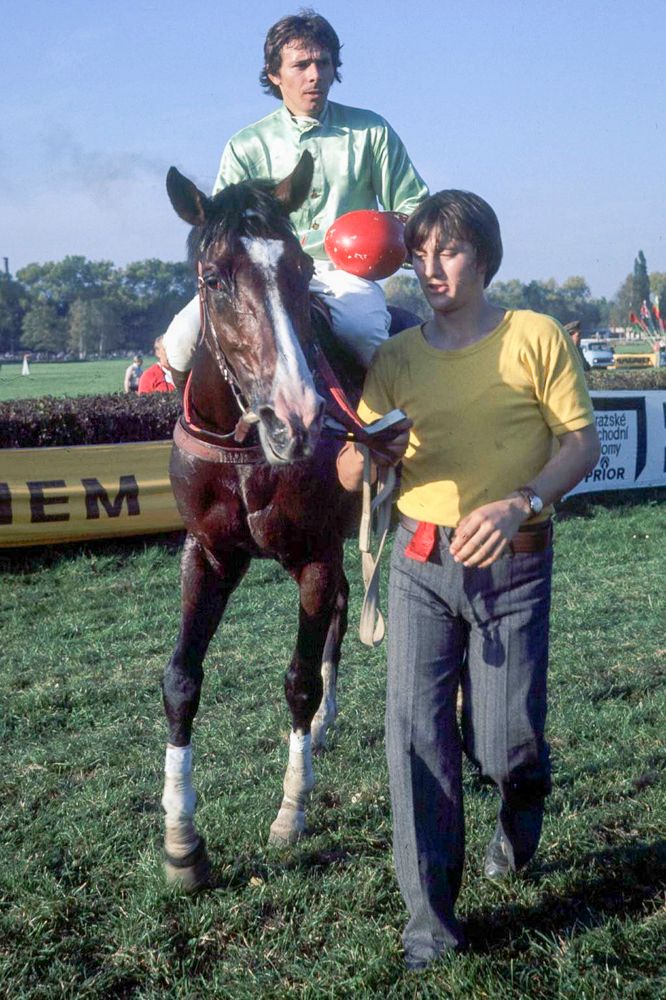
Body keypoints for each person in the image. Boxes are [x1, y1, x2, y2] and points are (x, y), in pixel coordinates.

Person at [337, 190, 600, 968]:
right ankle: (431, 929)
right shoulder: (394, 357)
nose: (429, 267)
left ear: (482, 256)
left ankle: (522, 797)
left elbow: (579, 446)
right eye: (418, 254)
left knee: (503, 742)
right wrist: (368, 456)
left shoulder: (535, 336)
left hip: (515, 560)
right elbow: (351, 463)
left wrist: (523, 500)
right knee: (417, 737)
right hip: (420, 564)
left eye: (446, 251)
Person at [163, 10, 428, 381]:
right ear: (274, 74)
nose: (315, 75)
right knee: (178, 343)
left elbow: (415, 209)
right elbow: (220, 232)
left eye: (323, 62)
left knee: (363, 332)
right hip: (259, 276)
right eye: (301, 64)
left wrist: (389, 235)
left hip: (344, 277)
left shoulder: (372, 131)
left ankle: (384, 430)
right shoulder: (246, 145)